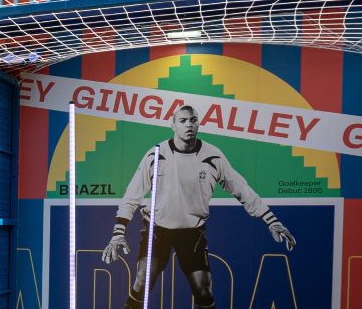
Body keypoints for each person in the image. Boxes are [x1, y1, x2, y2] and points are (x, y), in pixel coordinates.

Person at [102, 105, 294, 309]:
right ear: (173, 126)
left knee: (203, 291)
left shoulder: (212, 156)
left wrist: (272, 221)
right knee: (142, 281)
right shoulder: (156, 155)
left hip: (192, 233)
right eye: (183, 121)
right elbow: (132, 195)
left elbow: (242, 189)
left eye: (193, 120)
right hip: (157, 231)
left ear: (198, 124)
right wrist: (118, 232)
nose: (188, 125)